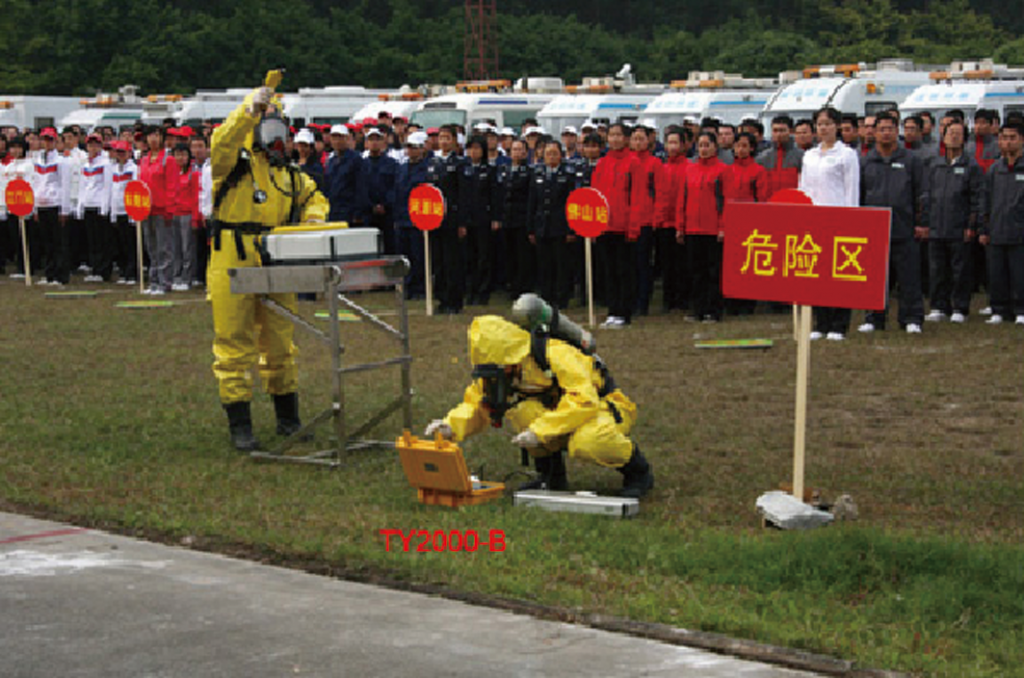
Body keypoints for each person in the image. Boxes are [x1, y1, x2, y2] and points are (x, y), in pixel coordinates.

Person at [208, 78, 329, 452]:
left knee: (280, 339)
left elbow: (314, 197)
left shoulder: (287, 173)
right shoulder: (231, 164)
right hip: (233, 250)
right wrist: (248, 110)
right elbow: (222, 141)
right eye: (268, 127)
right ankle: (240, 423)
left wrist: (313, 219)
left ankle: (287, 416)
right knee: (234, 339)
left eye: (281, 129)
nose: (276, 138)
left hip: (276, 251)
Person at [423, 310, 654, 498]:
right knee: (523, 412)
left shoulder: (556, 354)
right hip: (563, 411)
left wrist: (540, 431)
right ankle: (551, 476)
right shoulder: (499, 369)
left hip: (604, 408)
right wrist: (449, 426)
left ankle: (637, 471)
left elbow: (584, 400)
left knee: (588, 441)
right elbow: (478, 403)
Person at [859, 112, 926, 334]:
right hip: (874, 228)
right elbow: (859, 194)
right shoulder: (866, 161)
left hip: (904, 227)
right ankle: (873, 318)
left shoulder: (911, 160)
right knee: (875, 278)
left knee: (909, 277)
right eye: (882, 129)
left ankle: (912, 318)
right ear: (874, 133)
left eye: (890, 129)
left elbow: (922, 193)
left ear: (897, 132)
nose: (886, 133)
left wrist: (921, 222)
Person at [798, 106, 860, 340]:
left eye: (827, 123)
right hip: (814, 220)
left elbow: (851, 188)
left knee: (839, 275)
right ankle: (820, 322)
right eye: (820, 124)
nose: (823, 128)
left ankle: (838, 324)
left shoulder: (846, 155)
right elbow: (805, 188)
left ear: (837, 126)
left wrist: (851, 219)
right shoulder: (810, 155)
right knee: (817, 274)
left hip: (839, 218)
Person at [922, 119, 982, 324]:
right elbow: (927, 194)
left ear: (964, 138)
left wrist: (971, 225)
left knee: (960, 269)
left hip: (959, 227)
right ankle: (939, 305)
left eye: (958, 133)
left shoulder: (971, 166)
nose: (954, 136)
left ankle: (960, 307)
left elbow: (976, 198)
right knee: (937, 269)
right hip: (937, 226)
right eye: (950, 133)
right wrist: (925, 221)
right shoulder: (935, 165)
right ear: (943, 137)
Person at [677, 131, 729, 323]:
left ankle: (713, 310)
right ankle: (697, 309)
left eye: (707, 145)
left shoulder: (723, 170)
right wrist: (680, 226)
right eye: (701, 145)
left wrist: (723, 227)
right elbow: (682, 199)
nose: (704, 149)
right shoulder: (690, 169)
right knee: (695, 271)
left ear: (715, 147)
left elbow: (726, 201)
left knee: (713, 272)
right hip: (692, 228)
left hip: (713, 228)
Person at [978, 122, 1024, 325]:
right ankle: (999, 309)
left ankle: (1021, 309)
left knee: (1019, 273)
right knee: (997, 273)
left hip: (1019, 232)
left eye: (1012, 137)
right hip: (997, 231)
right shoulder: (995, 169)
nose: (1007, 142)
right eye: (1004, 137)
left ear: (1021, 140)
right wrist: (984, 228)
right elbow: (985, 200)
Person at [591, 123, 636, 328]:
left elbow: (637, 197)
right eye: (612, 135)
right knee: (608, 271)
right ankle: (612, 310)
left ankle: (624, 312)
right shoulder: (602, 163)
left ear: (626, 139)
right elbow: (595, 194)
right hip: (605, 226)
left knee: (624, 271)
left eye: (619, 135)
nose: (615, 139)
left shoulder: (633, 162)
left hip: (624, 225)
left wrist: (633, 226)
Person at [527, 140, 575, 309]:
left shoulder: (568, 174)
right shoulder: (537, 173)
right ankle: (546, 297)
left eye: (555, 153)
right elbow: (532, 203)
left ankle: (561, 298)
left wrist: (571, 229)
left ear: (561, 155)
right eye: (548, 153)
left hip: (560, 226)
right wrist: (531, 228)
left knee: (561, 264)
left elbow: (571, 203)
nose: (551, 157)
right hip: (542, 226)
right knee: (544, 264)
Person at [627, 123, 668, 317]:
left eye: (641, 139)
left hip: (646, 220)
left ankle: (643, 302)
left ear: (648, 141)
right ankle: (630, 299)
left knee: (643, 263)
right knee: (629, 264)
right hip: (627, 221)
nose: (637, 142)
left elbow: (661, 193)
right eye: (634, 139)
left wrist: (656, 219)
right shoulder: (626, 162)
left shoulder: (654, 164)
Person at [426, 124, 466, 314]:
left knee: (452, 261)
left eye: (447, 138)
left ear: (455, 141)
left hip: (452, 219)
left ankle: (454, 300)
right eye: (441, 137)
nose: (443, 141)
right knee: (438, 261)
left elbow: (463, 194)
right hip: (434, 220)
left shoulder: (459, 163)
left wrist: (461, 222)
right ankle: (441, 299)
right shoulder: (432, 162)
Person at [459, 135, 500, 305]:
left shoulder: (489, 170)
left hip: (484, 218)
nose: (473, 152)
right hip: (467, 219)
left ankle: (483, 292)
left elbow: (495, 196)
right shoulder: (463, 169)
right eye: (470, 148)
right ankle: (471, 291)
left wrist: (496, 218)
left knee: (484, 256)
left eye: (477, 148)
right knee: (469, 256)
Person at [138, 125, 177, 295]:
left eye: (156, 135)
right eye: (150, 135)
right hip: (147, 209)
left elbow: (172, 186)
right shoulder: (144, 159)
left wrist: (169, 208)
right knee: (151, 247)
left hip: (162, 209)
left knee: (164, 248)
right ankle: (153, 281)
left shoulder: (167, 160)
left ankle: (165, 282)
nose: (153, 139)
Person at [393, 131, 430, 299]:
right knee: (405, 254)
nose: (411, 151)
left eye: (414, 147)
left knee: (419, 256)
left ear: (422, 149)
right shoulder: (402, 168)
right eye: (409, 147)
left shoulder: (428, 167)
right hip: (402, 217)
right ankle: (407, 285)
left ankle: (420, 288)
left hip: (418, 219)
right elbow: (398, 191)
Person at [35, 128, 71, 286]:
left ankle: (60, 275)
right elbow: (35, 183)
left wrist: (64, 209)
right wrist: (35, 207)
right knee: (47, 242)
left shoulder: (61, 161)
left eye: (50, 140)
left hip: (55, 204)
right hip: (42, 204)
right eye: (44, 139)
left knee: (58, 242)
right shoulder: (38, 160)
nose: (47, 143)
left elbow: (65, 185)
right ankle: (50, 274)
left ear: (56, 141)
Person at [501, 138, 535, 297]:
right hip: (506, 218)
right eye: (514, 149)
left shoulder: (530, 172)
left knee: (523, 256)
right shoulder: (504, 169)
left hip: (522, 219)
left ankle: (524, 286)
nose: (517, 152)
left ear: (526, 152)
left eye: (520, 149)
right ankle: (511, 285)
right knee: (509, 255)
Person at [77, 134, 112, 282]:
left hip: (99, 205)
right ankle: (95, 268)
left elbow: (107, 186)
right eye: (90, 145)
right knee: (91, 240)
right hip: (88, 204)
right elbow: (82, 186)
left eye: (96, 145)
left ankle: (103, 270)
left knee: (102, 240)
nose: (93, 148)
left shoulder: (105, 163)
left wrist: (104, 207)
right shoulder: (85, 165)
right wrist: (80, 205)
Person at [106, 140, 138, 285]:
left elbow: (135, 189)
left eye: (123, 152)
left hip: (129, 210)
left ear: (129, 153)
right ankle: (124, 271)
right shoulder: (113, 169)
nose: (120, 155)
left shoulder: (134, 169)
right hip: (117, 209)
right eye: (118, 152)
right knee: (121, 244)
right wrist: (112, 212)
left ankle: (132, 273)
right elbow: (112, 190)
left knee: (131, 244)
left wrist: (134, 213)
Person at [169, 142, 200, 292]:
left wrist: (195, 217)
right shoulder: (170, 174)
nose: (180, 158)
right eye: (177, 154)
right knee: (175, 249)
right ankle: (176, 277)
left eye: (183, 154)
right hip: (173, 214)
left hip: (187, 214)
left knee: (187, 248)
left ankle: (188, 278)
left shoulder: (193, 174)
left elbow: (195, 197)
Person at [324, 124, 366, 226]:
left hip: (349, 211)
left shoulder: (356, 159)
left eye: (340, 138)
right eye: (334, 138)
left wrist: (358, 213)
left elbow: (361, 187)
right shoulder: (331, 161)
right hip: (334, 210)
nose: (337, 141)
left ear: (347, 139)